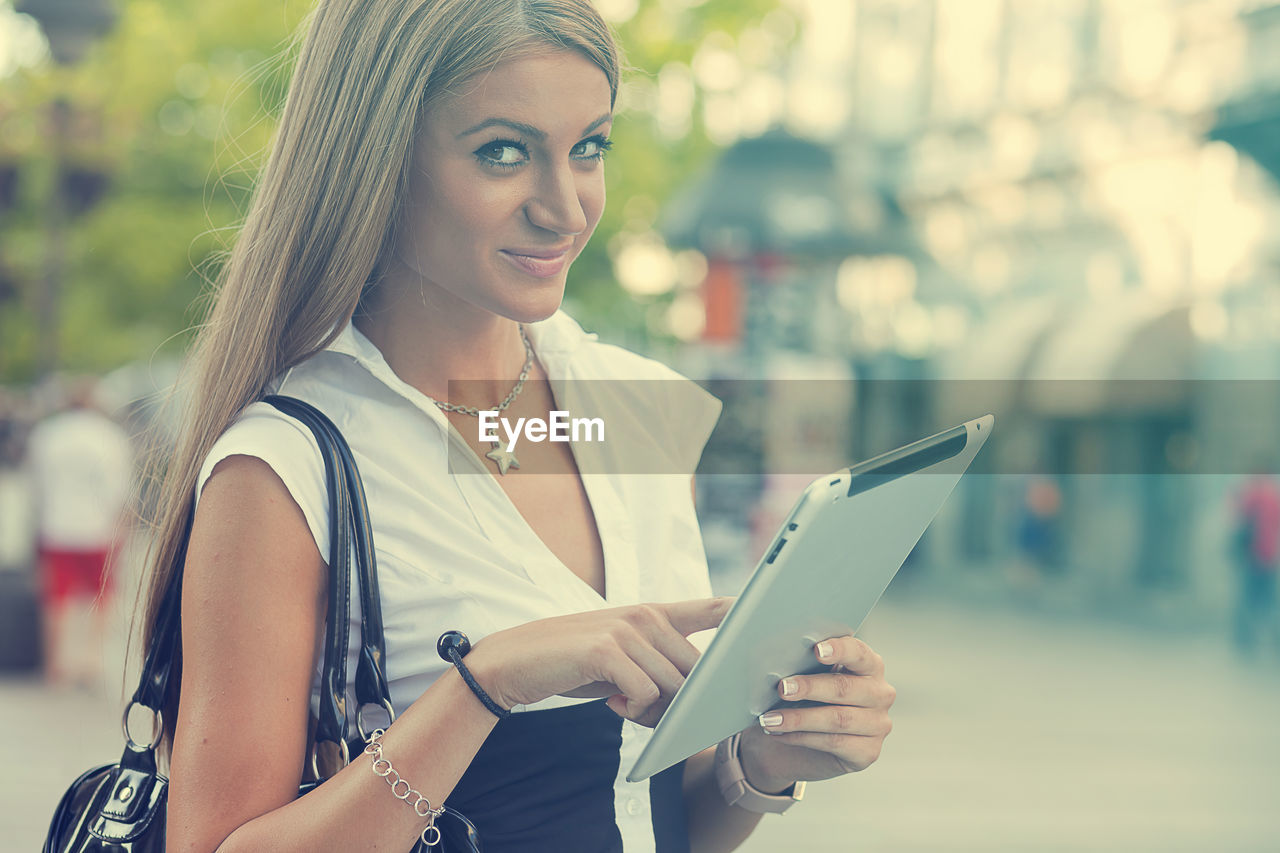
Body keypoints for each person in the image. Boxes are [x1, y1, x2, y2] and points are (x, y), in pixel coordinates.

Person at [145, 2, 896, 851]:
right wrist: (486, 682)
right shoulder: (289, 465)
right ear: (378, 160)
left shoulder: (638, 406)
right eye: (503, 152)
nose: (566, 209)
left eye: (590, 147)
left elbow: (639, 815)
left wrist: (763, 757)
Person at [25, 377, 133, 687]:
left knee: (57, 598)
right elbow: (120, 488)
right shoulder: (110, 437)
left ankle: (57, 662)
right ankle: (91, 660)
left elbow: (37, 485)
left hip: (57, 525)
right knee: (100, 596)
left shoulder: (47, 435)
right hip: (98, 527)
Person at [1230, 467, 1280, 657]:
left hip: (1253, 555)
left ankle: (1245, 638)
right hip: (1270, 556)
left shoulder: (1252, 493)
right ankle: (1274, 638)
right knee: (1269, 600)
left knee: (1247, 599)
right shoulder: (1275, 494)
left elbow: (1239, 520)